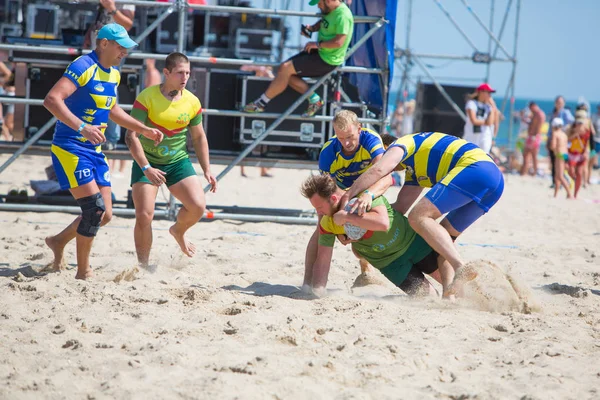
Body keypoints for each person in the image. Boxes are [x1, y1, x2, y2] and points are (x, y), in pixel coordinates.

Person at [43, 24, 163, 280]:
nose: (124, 52)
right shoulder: (83, 65)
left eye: (127, 48)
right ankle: (83, 272)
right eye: (121, 46)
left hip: (94, 150)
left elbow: (112, 110)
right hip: (70, 146)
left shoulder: (114, 74)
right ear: (104, 43)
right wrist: (82, 126)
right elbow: (52, 99)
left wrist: (143, 128)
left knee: (106, 214)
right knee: (94, 209)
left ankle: (57, 241)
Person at [336, 132, 504, 296]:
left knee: (418, 217)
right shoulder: (414, 172)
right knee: (441, 242)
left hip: (477, 167)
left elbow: (379, 170)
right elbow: (399, 208)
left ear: (385, 149)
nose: (374, 163)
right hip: (495, 183)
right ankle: (454, 296)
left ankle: (460, 266)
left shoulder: (401, 145)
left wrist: (350, 196)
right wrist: (361, 221)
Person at [125, 52, 217, 267]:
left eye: (187, 72)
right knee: (145, 215)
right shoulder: (147, 97)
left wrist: (207, 169)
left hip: (177, 161)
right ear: (166, 73)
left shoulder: (192, 102)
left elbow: (198, 136)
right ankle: (143, 265)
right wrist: (146, 168)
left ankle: (178, 231)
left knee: (197, 207)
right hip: (147, 160)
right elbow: (131, 137)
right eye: (179, 73)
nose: (184, 77)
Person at [300, 174, 453, 298]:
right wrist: (318, 292)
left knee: (455, 287)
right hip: (391, 264)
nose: (318, 213)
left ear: (333, 198)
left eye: (319, 207)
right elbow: (323, 259)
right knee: (428, 298)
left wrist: (346, 217)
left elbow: (382, 223)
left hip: (413, 243)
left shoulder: (364, 195)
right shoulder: (327, 222)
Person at [308, 109, 391, 278]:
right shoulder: (328, 153)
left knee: (362, 239)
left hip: (366, 188)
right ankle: (308, 283)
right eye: (340, 138)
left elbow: (386, 178)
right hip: (338, 192)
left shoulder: (371, 140)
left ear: (359, 128)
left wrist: (368, 194)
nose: (346, 143)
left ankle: (365, 265)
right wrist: (332, 226)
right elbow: (325, 194)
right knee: (321, 229)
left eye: (350, 137)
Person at [243, 0, 353, 118]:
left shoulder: (343, 15)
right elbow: (324, 22)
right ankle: (314, 99)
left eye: (319, 3)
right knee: (284, 71)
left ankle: (260, 103)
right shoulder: (331, 9)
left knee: (286, 68)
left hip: (327, 60)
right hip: (320, 53)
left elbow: (339, 42)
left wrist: (317, 44)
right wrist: (311, 28)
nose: (318, 6)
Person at [546, 96, 574, 186]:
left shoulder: (566, 113)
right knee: (554, 162)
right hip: (553, 139)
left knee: (562, 165)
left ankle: (564, 181)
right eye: (557, 102)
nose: (558, 104)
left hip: (561, 142)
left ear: (563, 103)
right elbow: (550, 129)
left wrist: (563, 131)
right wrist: (548, 139)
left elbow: (572, 123)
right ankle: (555, 182)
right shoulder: (553, 113)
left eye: (560, 102)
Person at [462, 83, 497, 153]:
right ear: (481, 92)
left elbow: (491, 122)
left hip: (485, 136)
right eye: (488, 92)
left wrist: (493, 106)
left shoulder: (489, 107)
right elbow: (474, 121)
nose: (490, 95)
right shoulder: (471, 103)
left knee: (484, 156)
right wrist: (485, 122)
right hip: (472, 136)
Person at [567, 110, 592, 198]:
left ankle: (575, 194)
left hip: (581, 155)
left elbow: (588, 143)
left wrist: (587, 153)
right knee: (571, 173)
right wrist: (575, 133)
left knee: (580, 173)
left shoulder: (587, 130)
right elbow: (567, 141)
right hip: (571, 154)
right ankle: (569, 191)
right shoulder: (570, 128)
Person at [520, 102, 546, 176]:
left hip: (534, 137)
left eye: (531, 108)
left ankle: (530, 172)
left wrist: (534, 137)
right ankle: (526, 171)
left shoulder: (540, 114)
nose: (530, 110)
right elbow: (531, 123)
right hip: (532, 136)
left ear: (534, 106)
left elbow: (538, 127)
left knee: (531, 155)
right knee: (528, 155)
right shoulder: (534, 114)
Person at [548, 118, 572, 199]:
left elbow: (553, 146)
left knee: (560, 175)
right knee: (557, 176)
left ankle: (569, 193)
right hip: (565, 155)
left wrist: (551, 148)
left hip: (559, 155)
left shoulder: (555, 133)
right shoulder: (564, 134)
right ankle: (555, 194)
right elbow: (566, 146)